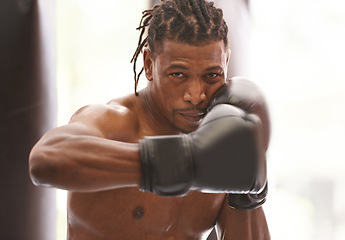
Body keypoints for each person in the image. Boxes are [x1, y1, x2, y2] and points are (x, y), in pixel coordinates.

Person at [29, 0, 271, 239]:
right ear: (148, 64)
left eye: (211, 75)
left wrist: (248, 195)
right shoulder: (113, 123)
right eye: (178, 74)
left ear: (226, 63)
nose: (197, 95)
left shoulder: (221, 144)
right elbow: (45, 159)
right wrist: (180, 162)